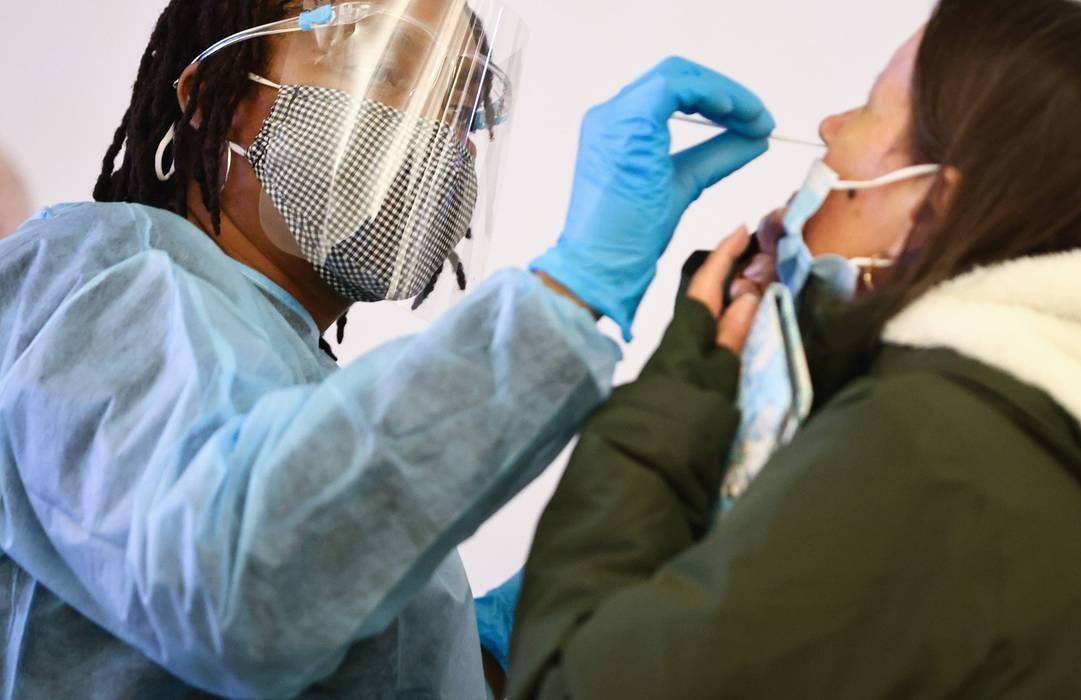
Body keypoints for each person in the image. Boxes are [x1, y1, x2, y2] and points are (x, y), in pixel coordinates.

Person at [0, 0, 775, 697]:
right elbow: (243, 590)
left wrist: (542, 612)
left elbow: (376, 669)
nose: (435, 133)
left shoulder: (294, 382)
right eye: (388, 69)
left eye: (461, 107)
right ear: (214, 100)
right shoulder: (93, 270)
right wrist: (572, 287)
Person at [509, 0, 1081, 697]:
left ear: (932, 205)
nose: (829, 128)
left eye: (865, 107)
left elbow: (569, 687)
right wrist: (788, 341)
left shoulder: (928, 458)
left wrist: (676, 399)